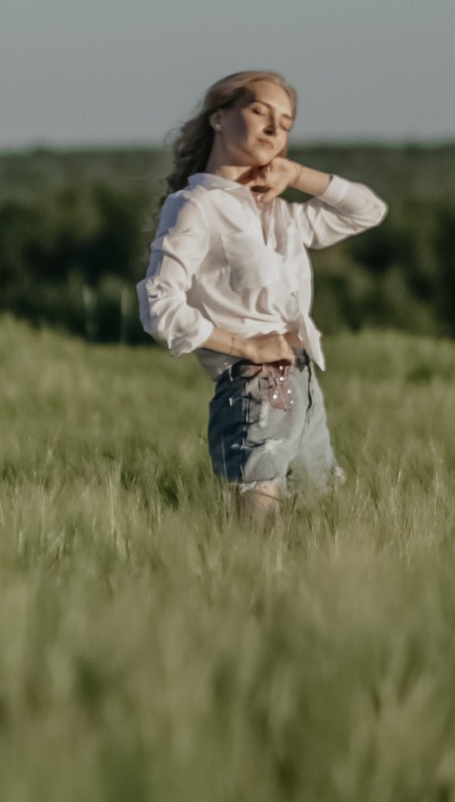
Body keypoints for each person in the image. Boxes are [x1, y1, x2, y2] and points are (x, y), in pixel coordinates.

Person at [137, 71, 388, 521]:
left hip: (304, 383)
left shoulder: (279, 213)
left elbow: (368, 211)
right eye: (260, 112)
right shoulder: (196, 205)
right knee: (257, 528)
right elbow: (159, 307)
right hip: (250, 383)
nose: (275, 129)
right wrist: (248, 345)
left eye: (286, 123)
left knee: (320, 519)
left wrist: (296, 174)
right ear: (219, 118)